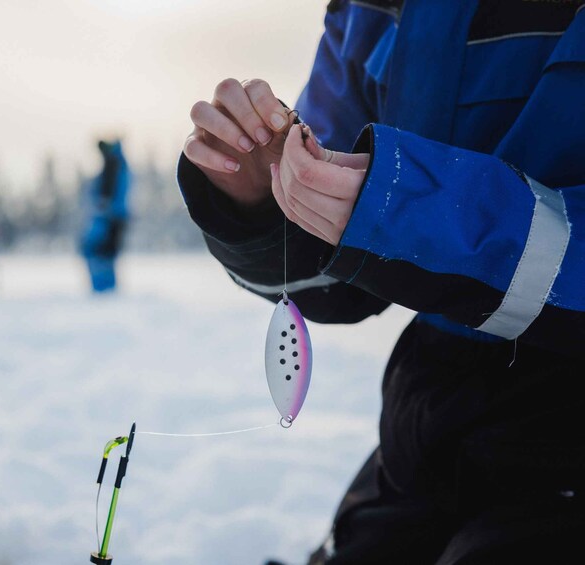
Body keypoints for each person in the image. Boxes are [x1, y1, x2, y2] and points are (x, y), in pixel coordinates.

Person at [178, 1, 585, 563]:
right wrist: (263, 199)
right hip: (428, 423)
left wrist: (412, 212)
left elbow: (388, 215)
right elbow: (345, 275)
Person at [80, 139, 131, 293]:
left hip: (107, 219)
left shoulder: (113, 164)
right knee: (105, 254)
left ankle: (103, 290)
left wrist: (102, 205)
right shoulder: (121, 164)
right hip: (116, 219)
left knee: (97, 252)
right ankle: (106, 290)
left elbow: (106, 198)